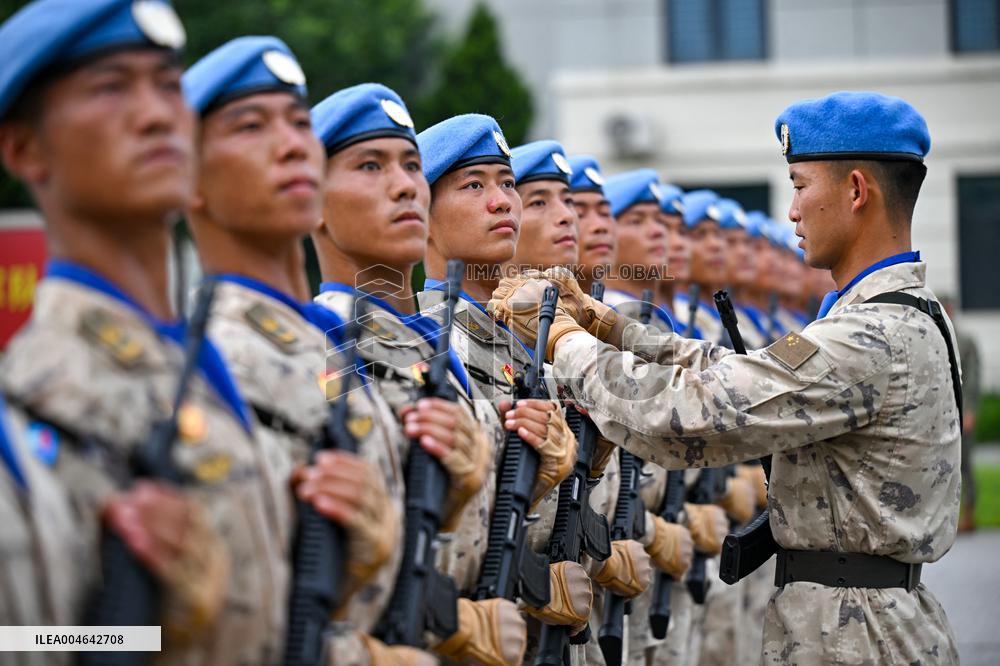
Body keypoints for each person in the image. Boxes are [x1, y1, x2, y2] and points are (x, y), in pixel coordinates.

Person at [490, 90, 961, 665]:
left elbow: (689, 413)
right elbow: (739, 371)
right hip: (858, 619)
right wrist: (608, 325)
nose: (792, 211)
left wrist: (564, 339)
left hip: (857, 634)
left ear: (857, 191)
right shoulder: (895, 314)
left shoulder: (869, 336)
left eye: (800, 186)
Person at [182, 43, 478, 664]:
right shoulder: (206, 363)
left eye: (298, 124)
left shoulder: (324, 350)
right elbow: (51, 639)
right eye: (252, 127)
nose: (294, 148)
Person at [0, 1, 278, 662]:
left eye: (168, 86)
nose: (158, 115)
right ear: (24, 149)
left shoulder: (201, 366)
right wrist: (148, 631)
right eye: (111, 87)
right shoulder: (38, 394)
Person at [309, 81, 523, 664]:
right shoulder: (324, 349)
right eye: (370, 166)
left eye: (410, 166)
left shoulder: (430, 347)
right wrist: (449, 622)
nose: (406, 185)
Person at [943, 296, 981, 532]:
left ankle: (969, 512)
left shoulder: (965, 341)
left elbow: (973, 379)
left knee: (964, 464)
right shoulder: (936, 336)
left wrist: (970, 411)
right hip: (942, 415)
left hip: (962, 412)